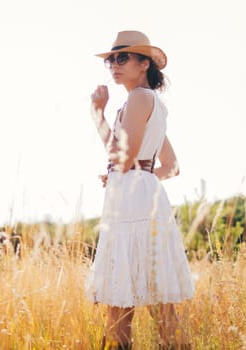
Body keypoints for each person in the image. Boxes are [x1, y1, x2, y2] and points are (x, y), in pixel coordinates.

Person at [85, 30, 195, 350]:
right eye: (111, 60)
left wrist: (97, 115)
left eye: (123, 58)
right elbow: (170, 166)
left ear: (144, 63)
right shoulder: (151, 102)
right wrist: (134, 175)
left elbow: (123, 156)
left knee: (120, 301)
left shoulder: (138, 98)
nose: (114, 65)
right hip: (141, 196)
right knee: (156, 298)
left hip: (133, 204)